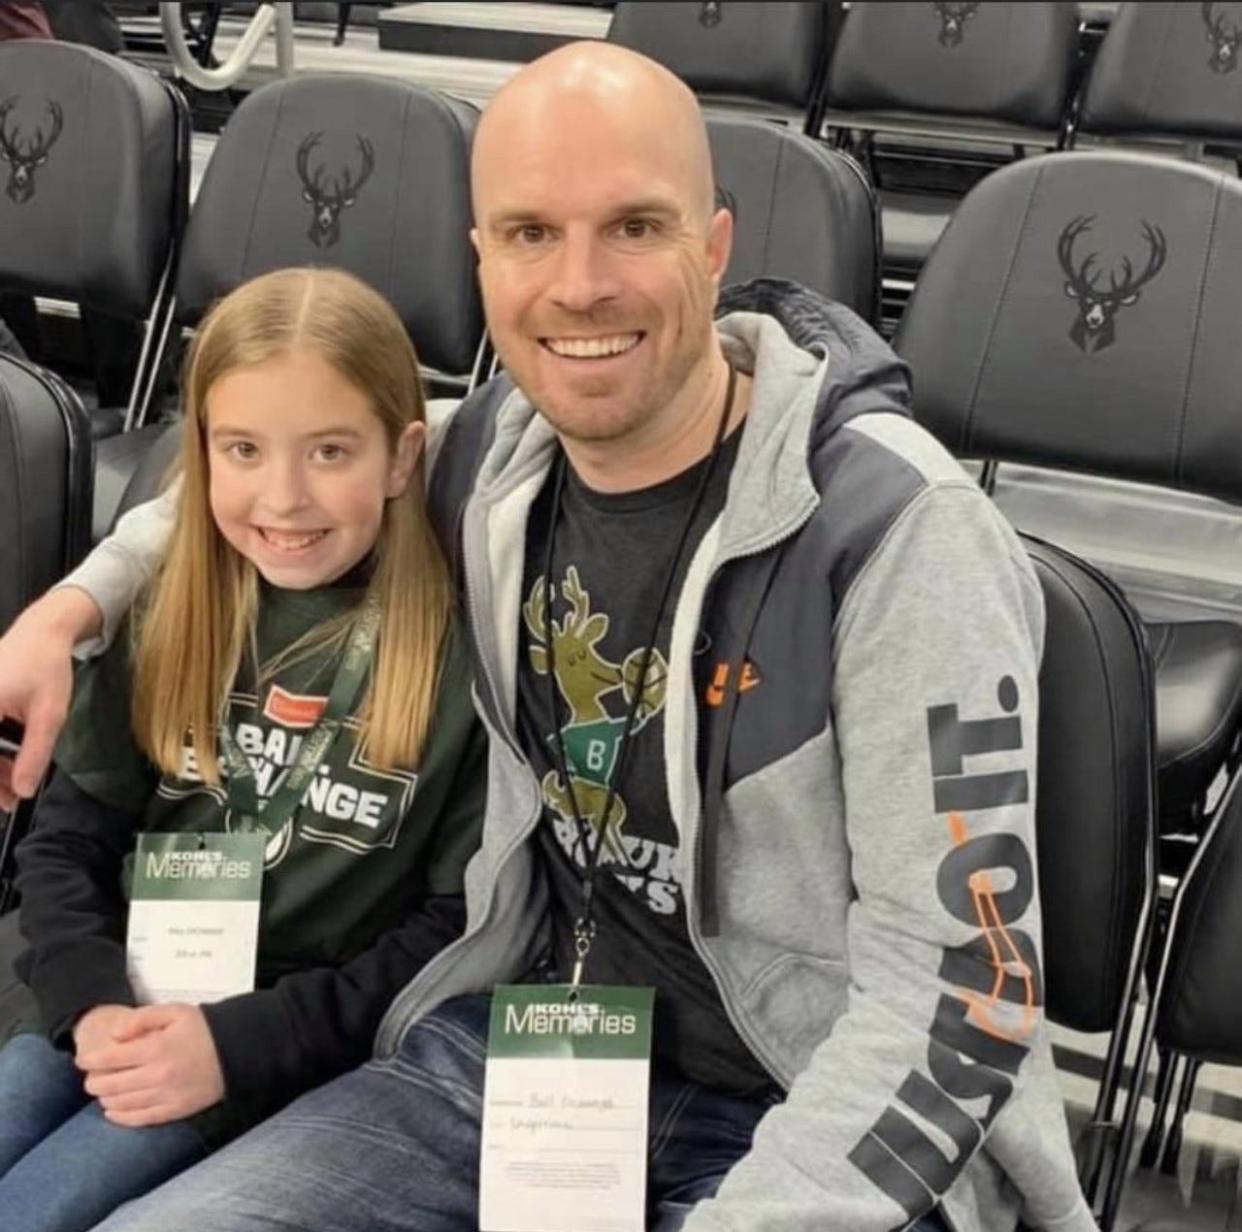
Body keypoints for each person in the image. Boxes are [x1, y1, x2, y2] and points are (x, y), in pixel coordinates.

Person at [0, 42, 1095, 1232]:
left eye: (633, 226)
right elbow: (287, 469)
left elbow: (957, 994)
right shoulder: (494, 451)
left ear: (714, 248)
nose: (578, 284)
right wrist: (73, 606)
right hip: (521, 1054)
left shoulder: (900, 535)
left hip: (817, 1109)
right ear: (481, 258)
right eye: (529, 233)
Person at [0, 267, 485, 1232]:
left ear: (402, 456)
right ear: (203, 456)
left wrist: (242, 1044)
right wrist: (90, 1006)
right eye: (245, 451)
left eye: (331, 451)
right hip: (99, 1013)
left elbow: (450, 931)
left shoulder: (460, 660)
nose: (286, 497)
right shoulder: (176, 609)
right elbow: (66, 846)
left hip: (268, 1055)